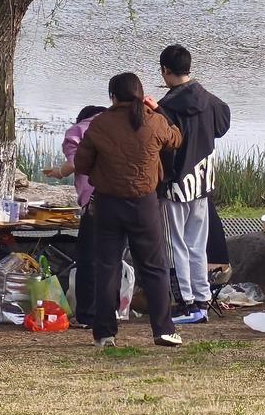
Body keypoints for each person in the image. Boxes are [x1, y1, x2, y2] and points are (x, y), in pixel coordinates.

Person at [74, 72, 183, 349]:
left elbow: (82, 163)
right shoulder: (154, 120)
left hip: (108, 204)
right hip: (145, 204)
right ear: (140, 93)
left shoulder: (100, 124)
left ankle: (104, 333)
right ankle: (163, 330)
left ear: (112, 96)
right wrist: (159, 109)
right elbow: (176, 139)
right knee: (154, 267)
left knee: (107, 267)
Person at [157, 44, 231, 325]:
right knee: (197, 245)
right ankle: (201, 300)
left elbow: (164, 147)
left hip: (176, 185)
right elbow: (223, 124)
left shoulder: (166, 107)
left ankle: (186, 303)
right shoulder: (210, 100)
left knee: (176, 245)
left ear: (165, 71)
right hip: (202, 182)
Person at [42, 104, 106, 328]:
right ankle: (112, 311)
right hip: (127, 200)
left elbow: (74, 162)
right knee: (112, 258)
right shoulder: (118, 125)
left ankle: (86, 316)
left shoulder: (78, 131)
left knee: (88, 259)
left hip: (95, 201)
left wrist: (59, 173)